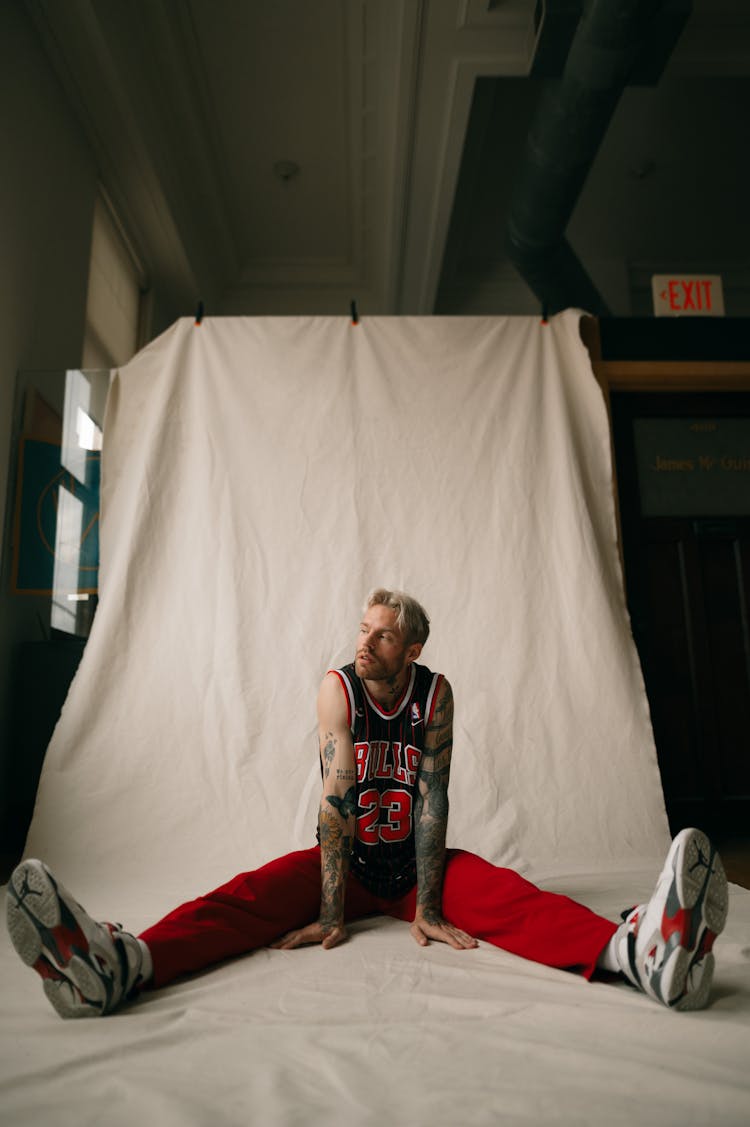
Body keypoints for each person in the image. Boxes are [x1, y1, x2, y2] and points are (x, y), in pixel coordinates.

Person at [7, 588, 729, 1018]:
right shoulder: (337, 688)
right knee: (246, 897)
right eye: (363, 626)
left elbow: (436, 796)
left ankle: (643, 954)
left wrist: (430, 904)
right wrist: (328, 910)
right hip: (347, 860)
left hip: (417, 864)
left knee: (513, 898)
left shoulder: (436, 692)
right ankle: (120, 964)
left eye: (383, 633)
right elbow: (336, 798)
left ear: (411, 645)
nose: (366, 640)